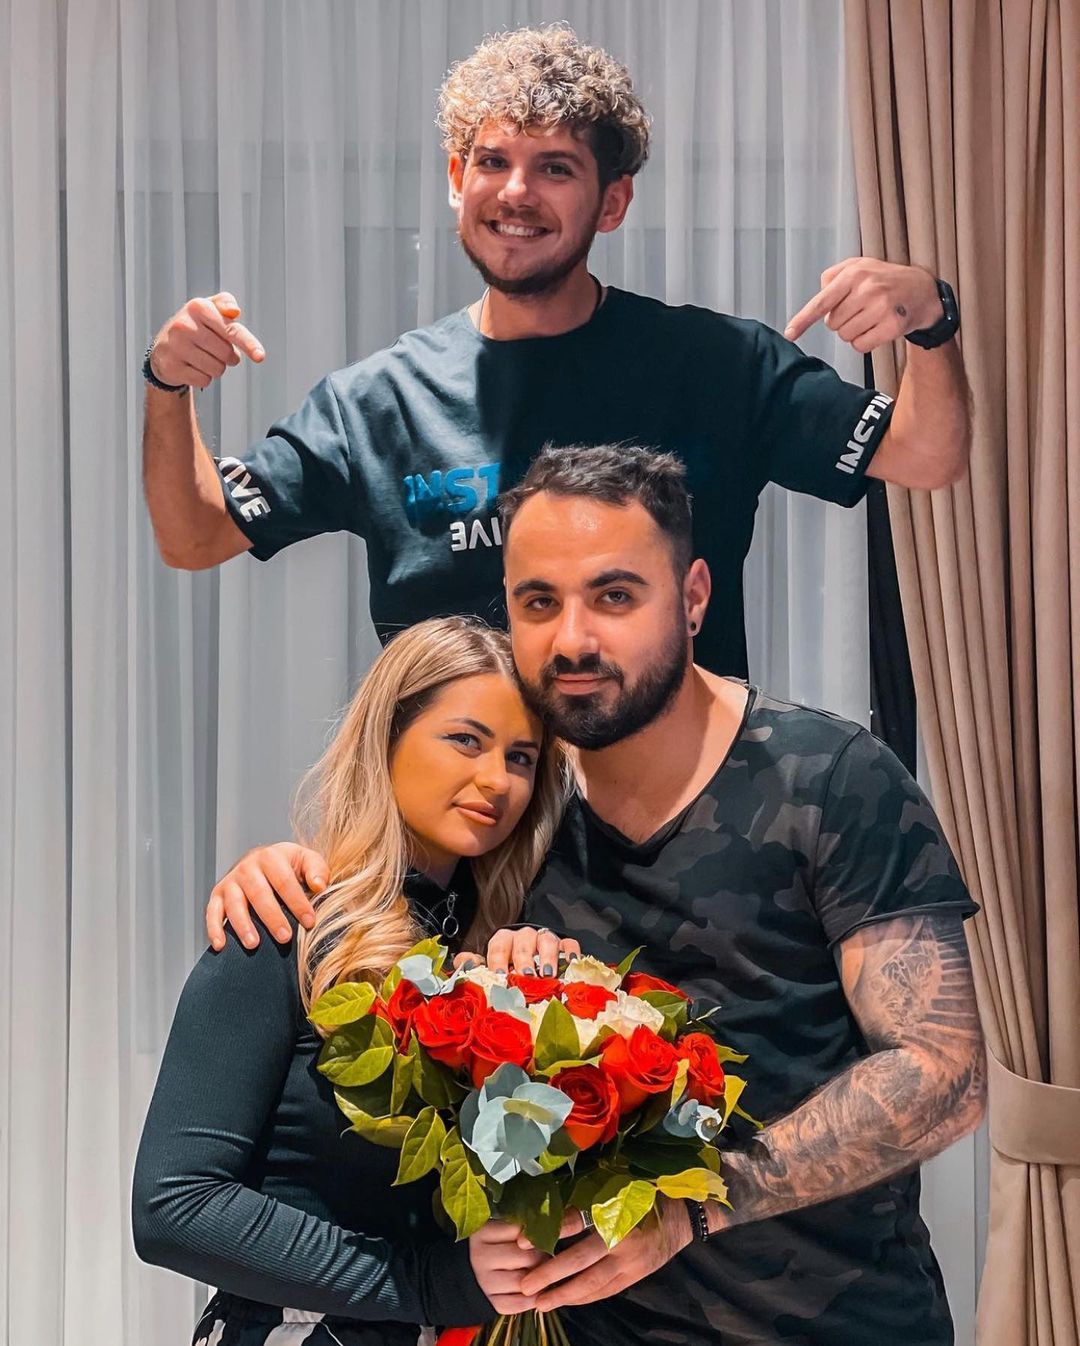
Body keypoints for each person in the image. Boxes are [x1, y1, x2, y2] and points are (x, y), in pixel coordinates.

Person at [221, 445, 987, 1345]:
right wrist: (286, 872)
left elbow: (943, 1071)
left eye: (615, 596)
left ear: (693, 597)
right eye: (538, 601)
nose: (573, 639)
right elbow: (393, 896)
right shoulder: (513, 809)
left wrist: (693, 1207)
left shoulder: (830, 778)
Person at [142, 23, 971, 681]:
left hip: (676, 823)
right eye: (493, 162)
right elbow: (195, 536)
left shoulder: (717, 364)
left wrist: (930, 318)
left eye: (555, 169)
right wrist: (166, 384)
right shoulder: (375, 403)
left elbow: (927, 454)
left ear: (612, 203)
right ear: (457, 179)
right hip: (463, 821)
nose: (516, 192)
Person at [132, 617, 577, 1346]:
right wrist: (429, 1283)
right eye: (466, 740)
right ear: (386, 737)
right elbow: (173, 1207)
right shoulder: (287, 926)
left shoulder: (499, 955)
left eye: (522, 757)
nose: (498, 780)